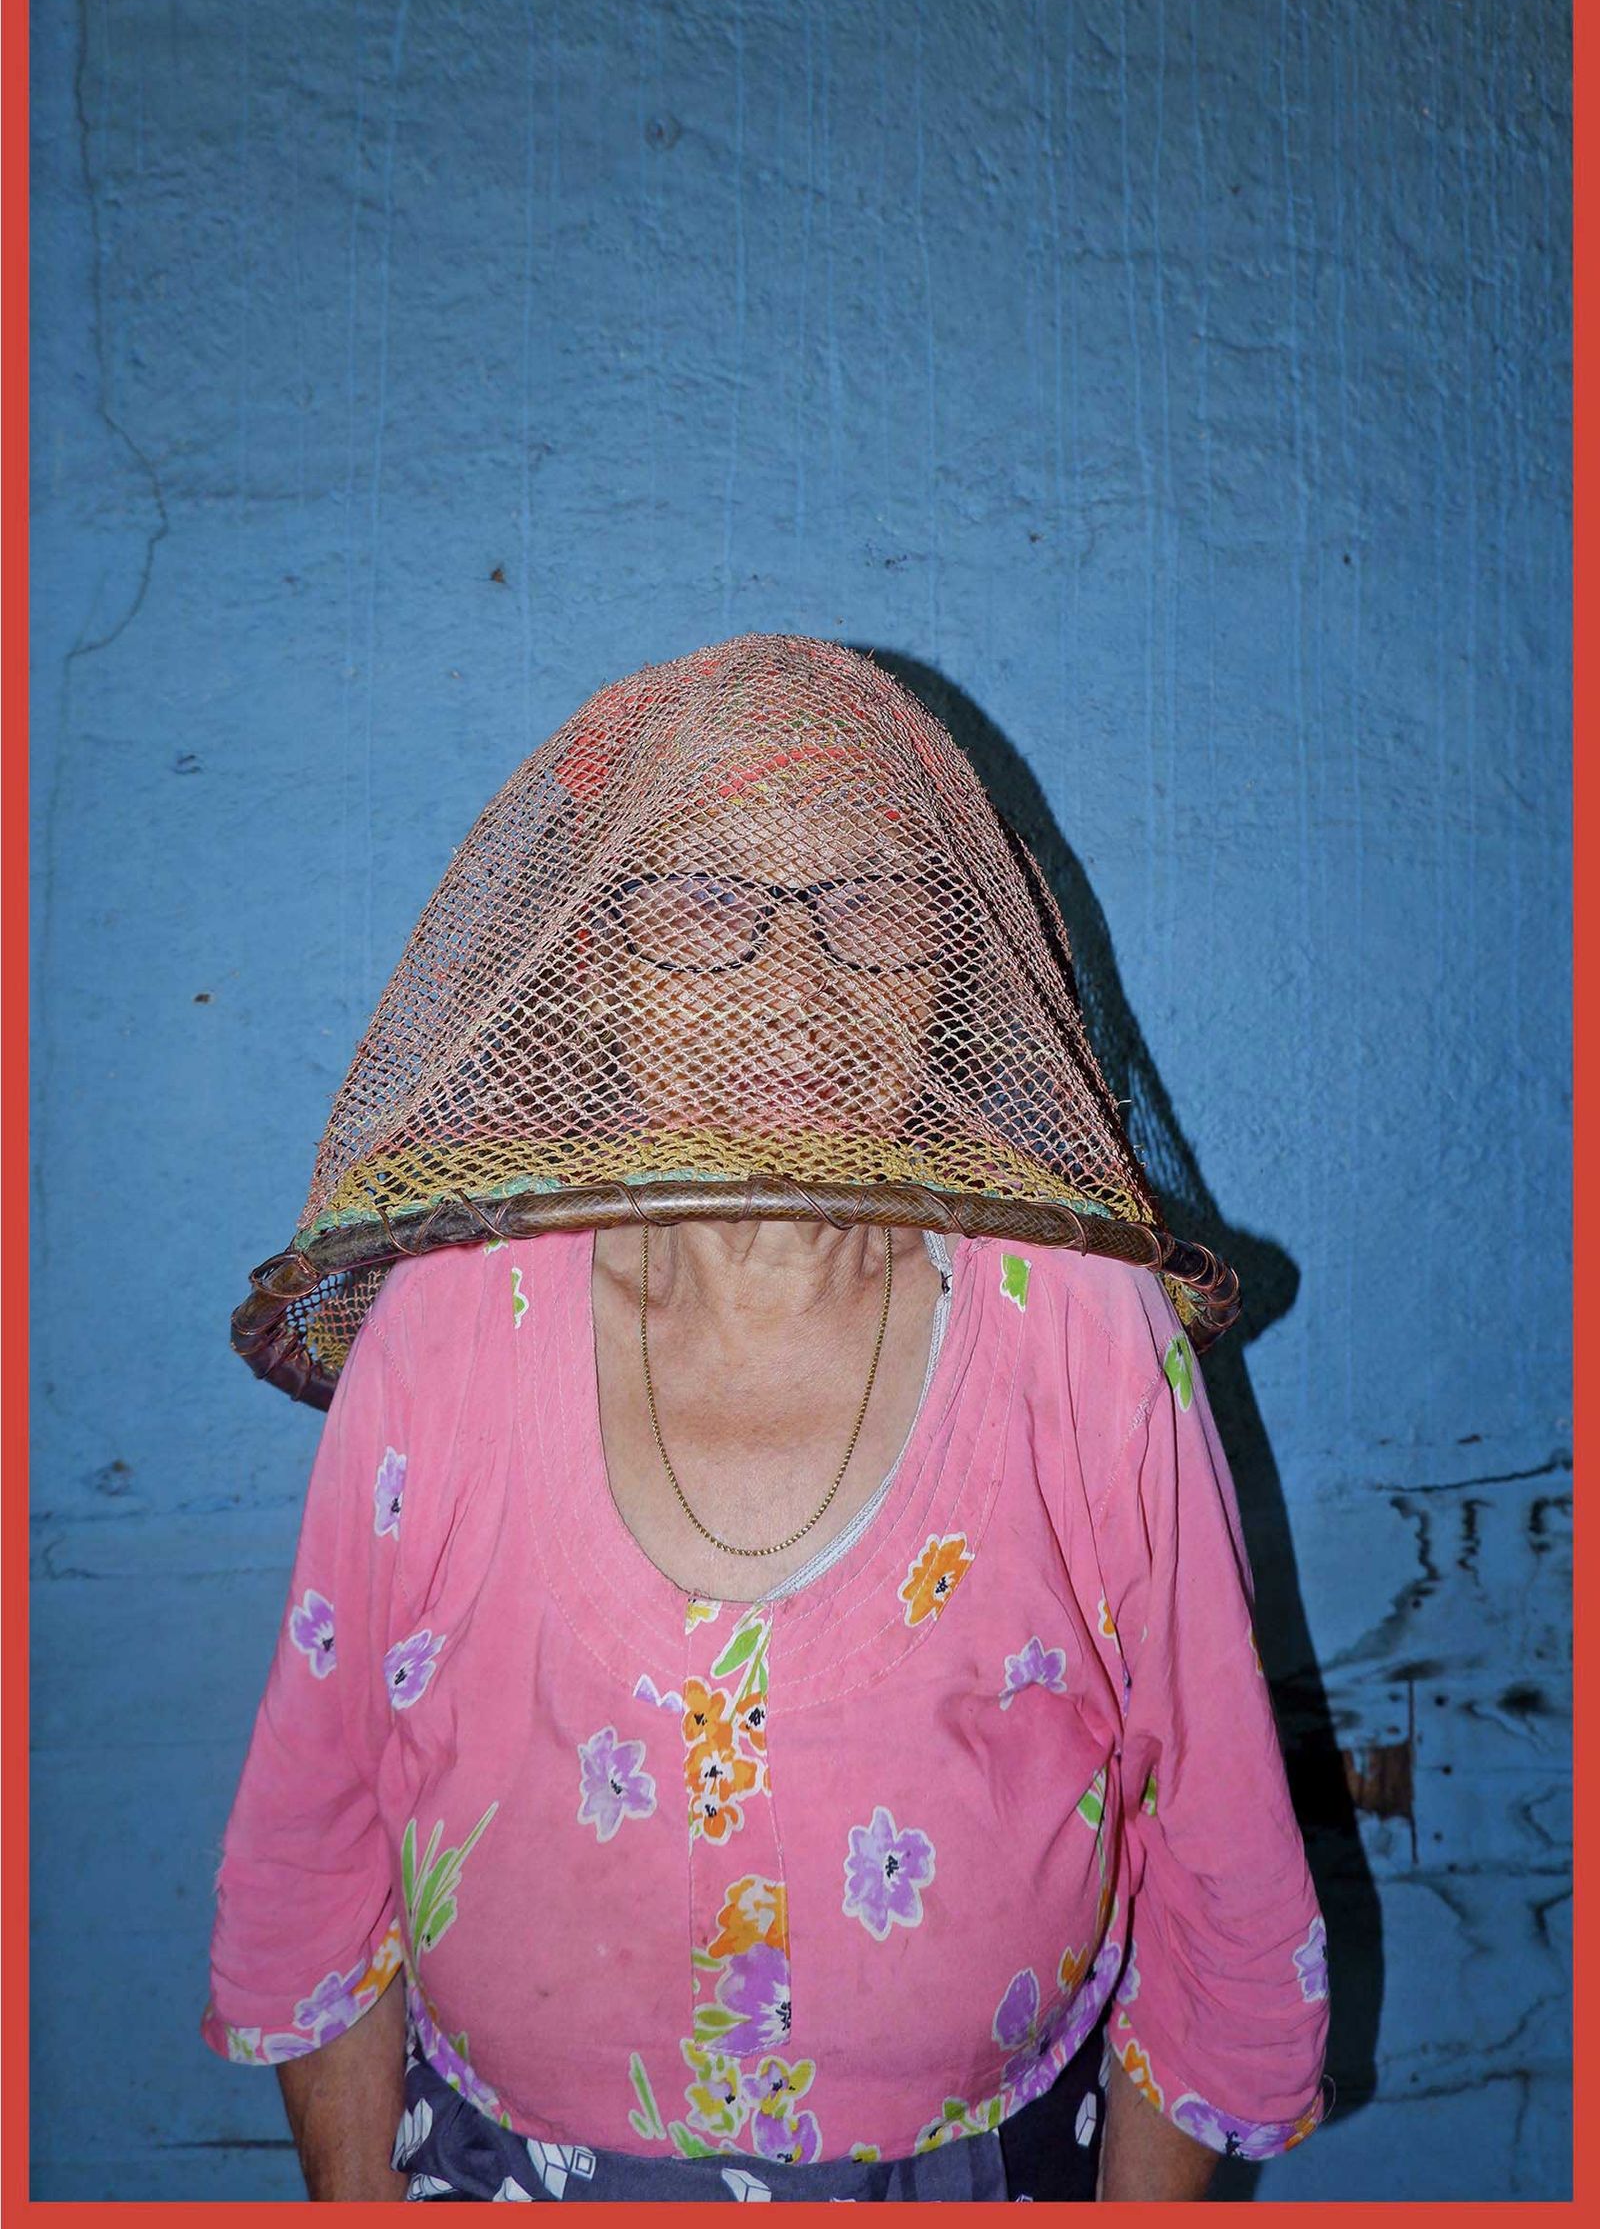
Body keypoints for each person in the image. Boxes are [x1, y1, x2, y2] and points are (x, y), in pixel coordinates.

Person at [204, 637, 1330, 2202]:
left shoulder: (1078, 1324)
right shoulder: (457, 1319)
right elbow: (316, 1843)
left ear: (951, 971)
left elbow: (1220, 1857)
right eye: (704, 906)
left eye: (870, 907)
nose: (790, 981)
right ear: (593, 969)